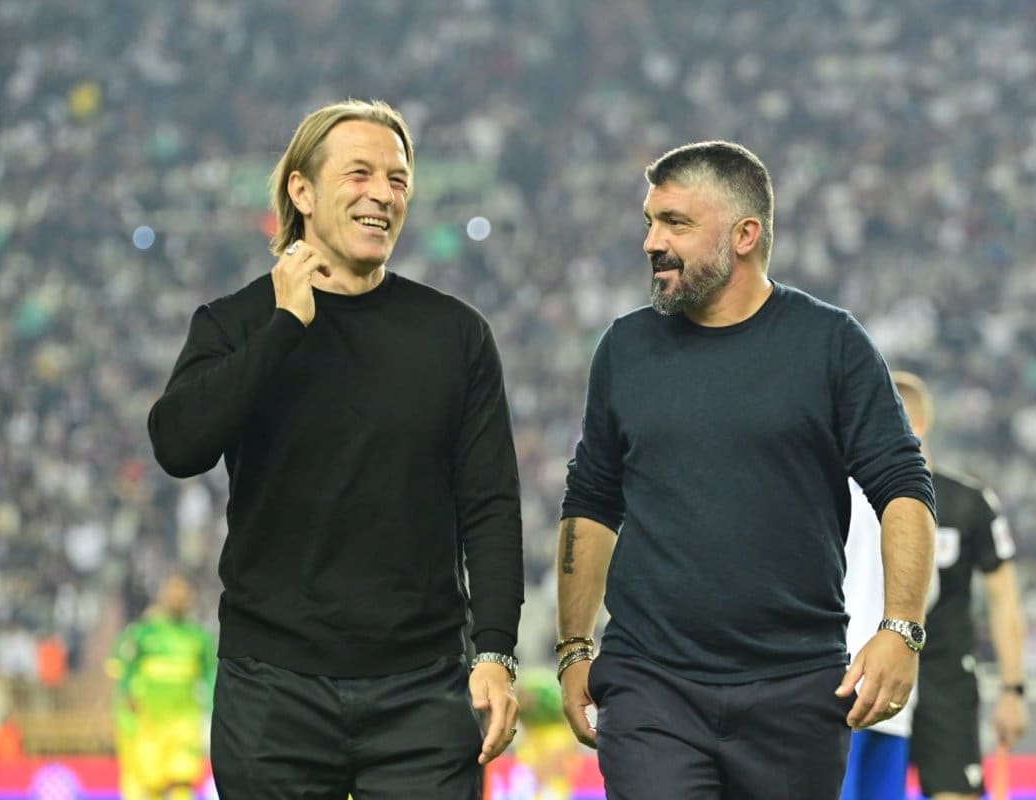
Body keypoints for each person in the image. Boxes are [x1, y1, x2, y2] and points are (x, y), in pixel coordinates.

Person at [147, 99, 524, 799]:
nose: (383, 194)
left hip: (423, 690)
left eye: (398, 180)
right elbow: (177, 444)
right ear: (302, 190)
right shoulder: (236, 323)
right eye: (360, 174)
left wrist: (496, 650)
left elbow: (491, 505)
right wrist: (285, 325)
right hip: (272, 688)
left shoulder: (456, 335)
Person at [555, 140, 937, 800]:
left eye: (675, 223)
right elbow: (591, 500)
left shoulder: (832, 344)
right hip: (650, 683)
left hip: (797, 686)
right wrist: (572, 648)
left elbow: (904, 485)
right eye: (650, 221)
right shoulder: (625, 348)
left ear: (744, 234)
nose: (651, 241)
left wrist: (901, 629)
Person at [893, 371, 1028, 800]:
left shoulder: (968, 503)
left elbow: (1003, 599)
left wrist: (1013, 689)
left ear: (918, 424)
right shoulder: (855, 502)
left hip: (946, 675)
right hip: (877, 671)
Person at [840, 480, 940, 800]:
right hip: (894, 685)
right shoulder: (912, 496)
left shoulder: (822, 485)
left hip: (837, 676)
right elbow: (928, 593)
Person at [106, 574, 216, 800]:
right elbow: (123, 672)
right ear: (162, 595)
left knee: (182, 781)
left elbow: (211, 676)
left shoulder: (199, 637)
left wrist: (211, 711)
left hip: (184, 722)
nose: (178, 596)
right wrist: (126, 712)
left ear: (191, 598)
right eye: (173, 590)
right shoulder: (143, 632)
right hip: (148, 724)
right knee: (148, 785)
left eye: (183, 592)